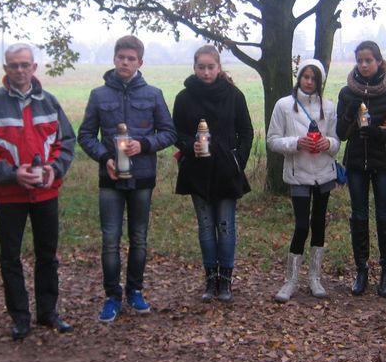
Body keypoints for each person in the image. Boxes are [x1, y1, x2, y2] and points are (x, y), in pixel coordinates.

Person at [0, 43, 75, 341]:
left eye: (24, 64)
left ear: (34, 67)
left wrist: (54, 169)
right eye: (13, 65)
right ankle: (19, 318)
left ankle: (48, 312)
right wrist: (12, 174)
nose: (19, 70)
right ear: (6, 69)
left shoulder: (50, 103)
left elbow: (66, 141)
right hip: (9, 195)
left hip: (46, 192)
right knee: (10, 258)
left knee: (47, 255)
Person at [78, 35, 177, 323]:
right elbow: (85, 135)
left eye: (131, 58)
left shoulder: (154, 94)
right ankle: (112, 295)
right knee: (110, 240)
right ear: (114, 59)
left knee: (139, 238)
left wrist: (144, 145)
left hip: (142, 178)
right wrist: (104, 157)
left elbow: (169, 132)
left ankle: (135, 290)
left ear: (140, 62)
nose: (125, 62)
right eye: (121, 57)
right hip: (110, 178)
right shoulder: (99, 95)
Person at [172, 45, 254, 302]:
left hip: (227, 171)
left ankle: (226, 279)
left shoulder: (233, 95)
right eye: (201, 67)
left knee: (226, 225)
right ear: (194, 68)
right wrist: (189, 146)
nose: (206, 72)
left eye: (210, 67)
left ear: (219, 68)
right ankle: (210, 279)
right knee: (206, 226)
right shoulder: (184, 97)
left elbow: (247, 132)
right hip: (197, 171)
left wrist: (237, 160)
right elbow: (176, 133)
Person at [336, 41, 386, 297]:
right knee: (358, 216)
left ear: (379, 61)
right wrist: (349, 112)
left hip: (384, 163)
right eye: (359, 60)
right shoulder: (347, 92)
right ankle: (361, 271)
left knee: (384, 215)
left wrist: (377, 133)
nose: (364, 65)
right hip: (356, 162)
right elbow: (340, 134)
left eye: (368, 60)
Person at [267, 59, 340, 302]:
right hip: (298, 174)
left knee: (319, 224)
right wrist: (296, 143)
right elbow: (272, 140)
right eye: (305, 77)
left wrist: (327, 143)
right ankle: (290, 280)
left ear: (320, 82)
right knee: (301, 225)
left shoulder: (328, 107)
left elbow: (337, 142)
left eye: (314, 78)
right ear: (299, 78)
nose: (309, 82)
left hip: (324, 174)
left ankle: (315, 278)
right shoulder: (284, 106)